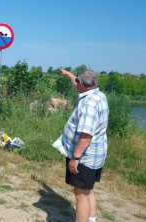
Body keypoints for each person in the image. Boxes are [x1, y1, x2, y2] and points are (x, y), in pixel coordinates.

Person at [53, 68, 109, 222]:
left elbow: (86, 136)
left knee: (81, 195)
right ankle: (92, 220)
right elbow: (77, 83)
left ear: (82, 85)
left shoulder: (89, 104)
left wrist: (75, 158)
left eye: (77, 80)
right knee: (88, 190)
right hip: (96, 154)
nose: (75, 82)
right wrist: (68, 74)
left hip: (85, 157)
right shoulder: (98, 94)